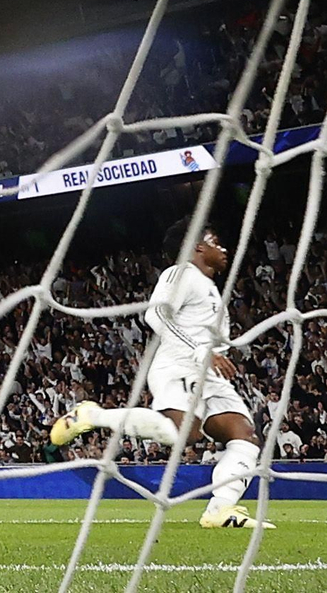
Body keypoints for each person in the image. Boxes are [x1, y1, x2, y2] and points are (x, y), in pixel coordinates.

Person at [51, 218, 275, 530]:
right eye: (215, 241)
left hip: (208, 376)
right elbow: (156, 314)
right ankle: (91, 416)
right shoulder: (181, 273)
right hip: (178, 365)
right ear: (198, 246)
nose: (223, 248)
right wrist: (201, 350)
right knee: (182, 435)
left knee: (246, 436)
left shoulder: (212, 291)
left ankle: (221, 510)